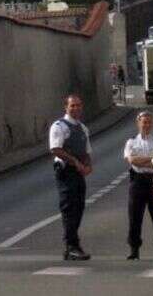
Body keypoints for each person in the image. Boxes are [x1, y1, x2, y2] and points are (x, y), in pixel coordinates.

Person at [49, 94, 93, 261]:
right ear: (66, 107)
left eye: (78, 105)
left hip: (78, 172)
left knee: (79, 206)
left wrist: (88, 165)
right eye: (72, 105)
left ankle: (73, 245)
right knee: (69, 208)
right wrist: (75, 162)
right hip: (66, 171)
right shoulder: (59, 126)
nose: (76, 108)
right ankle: (71, 245)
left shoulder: (83, 128)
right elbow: (56, 149)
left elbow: (86, 150)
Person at [123, 111, 153, 261]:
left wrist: (144, 160)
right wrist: (150, 160)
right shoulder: (131, 142)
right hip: (137, 181)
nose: (147, 125)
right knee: (134, 216)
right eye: (144, 122)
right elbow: (132, 160)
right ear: (138, 123)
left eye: (149, 122)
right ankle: (134, 249)